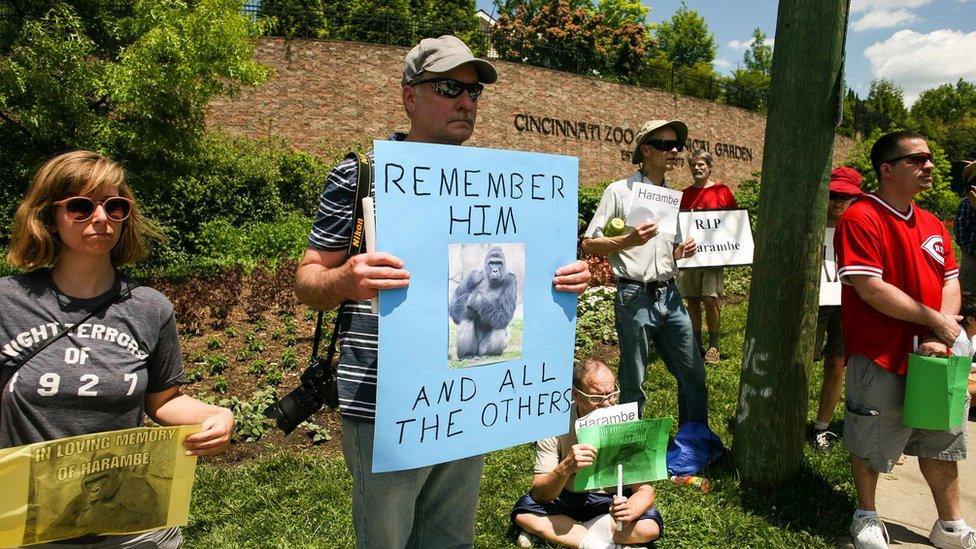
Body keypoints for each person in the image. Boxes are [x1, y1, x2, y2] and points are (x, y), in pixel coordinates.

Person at [293, 35, 592, 549]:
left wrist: (561, 282)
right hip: (386, 402)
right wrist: (345, 280)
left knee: (451, 540)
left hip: (467, 397)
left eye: (475, 92)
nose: (466, 101)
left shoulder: (499, 184)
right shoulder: (362, 174)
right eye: (450, 87)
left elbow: (523, 281)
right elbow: (307, 281)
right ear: (409, 95)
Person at [1, 150, 234, 547]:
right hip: (26, 523)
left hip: (131, 524)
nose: (101, 217)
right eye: (79, 207)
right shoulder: (7, 302)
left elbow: (161, 401)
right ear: (49, 218)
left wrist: (216, 415)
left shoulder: (149, 307)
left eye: (115, 206)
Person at [834, 131, 973, 549]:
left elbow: (951, 278)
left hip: (935, 356)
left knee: (941, 440)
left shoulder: (931, 222)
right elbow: (869, 287)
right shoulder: (861, 217)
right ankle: (867, 514)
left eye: (929, 157)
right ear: (887, 169)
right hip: (881, 355)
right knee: (869, 439)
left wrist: (939, 333)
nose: (928, 165)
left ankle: (949, 525)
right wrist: (939, 322)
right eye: (917, 159)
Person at [580, 119, 707, 425]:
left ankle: (695, 440)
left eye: (677, 145)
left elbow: (667, 252)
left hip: (669, 293)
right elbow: (588, 243)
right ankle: (630, 450)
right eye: (666, 145)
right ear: (646, 150)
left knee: (693, 371)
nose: (674, 151)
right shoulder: (618, 191)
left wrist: (681, 252)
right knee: (633, 379)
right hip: (634, 295)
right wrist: (628, 240)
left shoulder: (670, 197)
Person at [511, 359, 663, 549]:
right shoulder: (554, 424)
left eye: (612, 394)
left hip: (609, 502)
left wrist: (630, 509)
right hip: (565, 497)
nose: (607, 404)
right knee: (524, 515)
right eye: (597, 398)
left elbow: (645, 490)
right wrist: (565, 467)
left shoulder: (627, 420)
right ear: (576, 394)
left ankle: (569, 532)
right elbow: (540, 494)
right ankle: (600, 544)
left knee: (649, 528)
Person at [809, 166, 863, 451]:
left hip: (847, 304)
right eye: (833, 194)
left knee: (836, 365)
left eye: (846, 196)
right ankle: (791, 421)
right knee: (804, 364)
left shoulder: (858, 226)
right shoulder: (812, 224)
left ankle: (821, 427)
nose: (839, 202)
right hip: (814, 305)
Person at [677, 150, 738, 364]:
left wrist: (734, 251)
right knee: (692, 299)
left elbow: (734, 223)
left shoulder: (722, 191)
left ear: (709, 166)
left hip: (713, 256)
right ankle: (696, 343)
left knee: (710, 299)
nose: (697, 168)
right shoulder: (683, 195)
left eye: (701, 164)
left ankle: (714, 345)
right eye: (693, 165)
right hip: (690, 256)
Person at [953, 161, 976, 293]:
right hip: (972, 257)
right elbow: (960, 226)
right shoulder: (968, 201)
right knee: (968, 296)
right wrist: (966, 249)